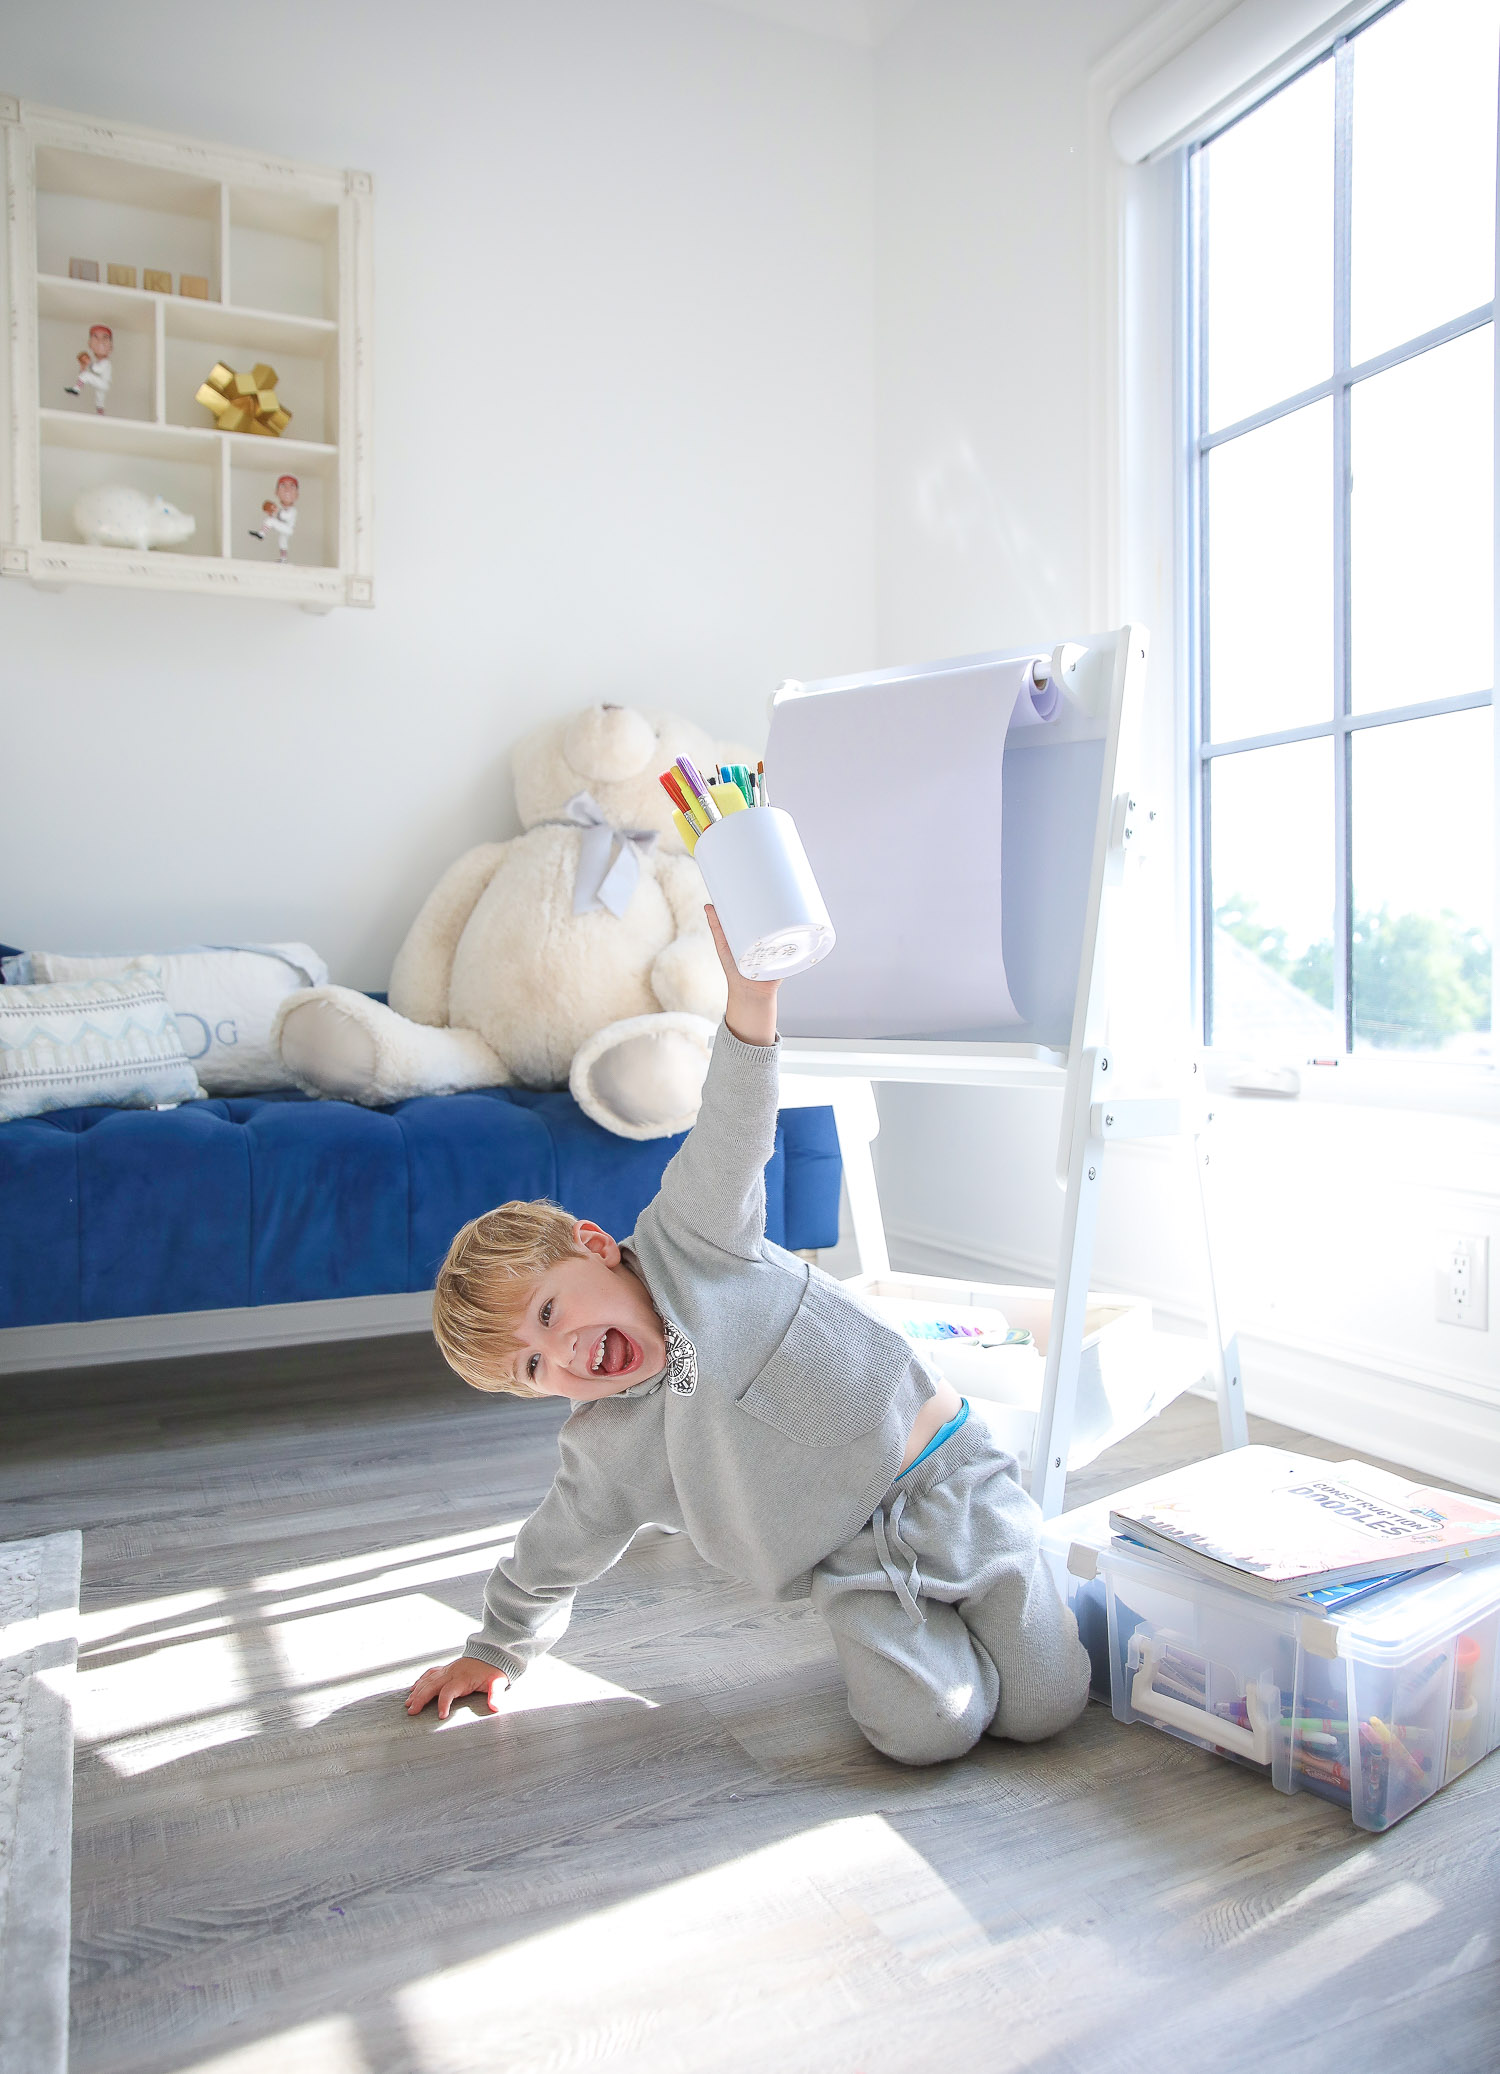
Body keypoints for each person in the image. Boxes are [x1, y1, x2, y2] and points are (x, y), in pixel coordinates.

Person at [407, 907, 1090, 1764]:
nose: (565, 1352)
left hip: (951, 1478)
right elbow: (550, 1552)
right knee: (929, 1733)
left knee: (1047, 1707)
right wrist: (495, 1649)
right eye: (535, 1368)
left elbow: (733, 1121)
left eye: (550, 1313)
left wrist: (751, 998)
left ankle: (1012, 1595)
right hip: (856, 1566)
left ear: (590, 1244)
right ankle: (939, 1637)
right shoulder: (608, 1451)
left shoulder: (694, 1236)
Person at [249, 474, 298, 560]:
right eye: (283, 486)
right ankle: (283, 558)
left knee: (270, 521)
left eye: (292, 486)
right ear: (276, 492)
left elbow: (285, 516)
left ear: (297, 494)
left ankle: (261, 534)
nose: (287, 490)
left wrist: (276, 510)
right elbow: (281, 517)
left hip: (288, 529)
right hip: (285, 529)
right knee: (282, 542)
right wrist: (273, 512)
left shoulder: (293, 510)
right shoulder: (282, 508)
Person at [64, 324, 113, 412]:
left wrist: (89, 363)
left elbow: (97, 369)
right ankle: (100, 413)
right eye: (96, 338)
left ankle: (76, 389)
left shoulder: (106, 362)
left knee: (86, 376)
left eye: (105, 338)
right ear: (90, 344)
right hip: (102, 384)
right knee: (99, 400)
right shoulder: (98, 362)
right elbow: (83, 374)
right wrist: (83, 366)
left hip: (104, 383)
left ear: (111, 346)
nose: (100, 342)